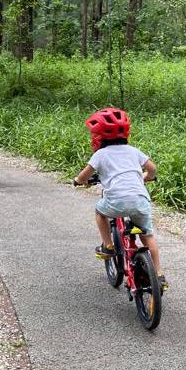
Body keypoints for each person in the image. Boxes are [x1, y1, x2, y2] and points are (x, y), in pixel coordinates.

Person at [73, 107, 168, 291]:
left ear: (98, 137)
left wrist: (78, 181)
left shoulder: (100, 155)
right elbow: (153, 168)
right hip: (140, 200)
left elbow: (83, 176)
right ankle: (158, 274)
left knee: (100, 212)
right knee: (147, 236)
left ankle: (108, 246)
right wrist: (146, 176)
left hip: (115, 201)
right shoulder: (134, 151)